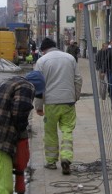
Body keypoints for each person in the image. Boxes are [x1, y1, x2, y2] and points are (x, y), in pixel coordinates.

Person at [34, 37, 83, 174]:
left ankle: (51, 162)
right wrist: (75, 96)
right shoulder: (70, 58)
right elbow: (78, 79)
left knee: (50, 132)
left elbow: (38, 86)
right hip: (68, 102)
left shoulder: (41, 61)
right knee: (67, 130)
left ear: (44, 50)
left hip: (50, 103)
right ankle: (66, 158)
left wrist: (38, 106)